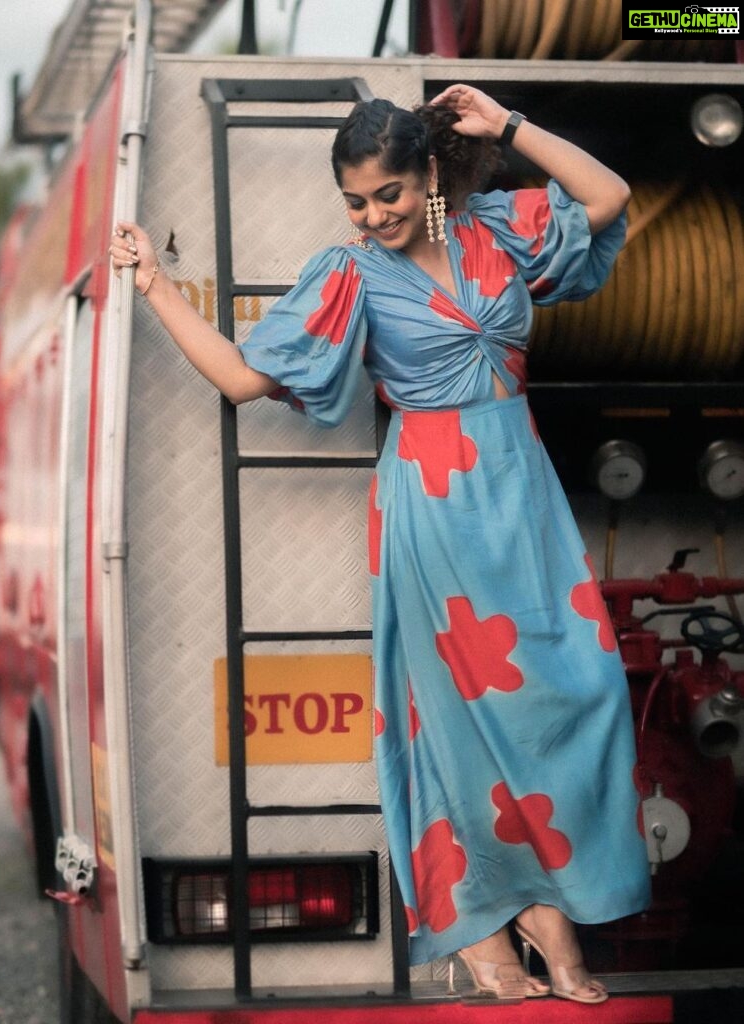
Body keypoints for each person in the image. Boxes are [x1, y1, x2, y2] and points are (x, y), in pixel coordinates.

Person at [110, 83, 651, 1005]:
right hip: (431, 501)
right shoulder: (351, 273)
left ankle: (545, 904)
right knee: (458, 716)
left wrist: (510, 126)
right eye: (356, 201)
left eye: (389, 194)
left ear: (428, 174)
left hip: (521, 487)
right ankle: (497, 923)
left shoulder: (494, 228)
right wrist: (157, 286)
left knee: (586, 692)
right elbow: (244, 380)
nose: (374, 215)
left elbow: (604, 199)